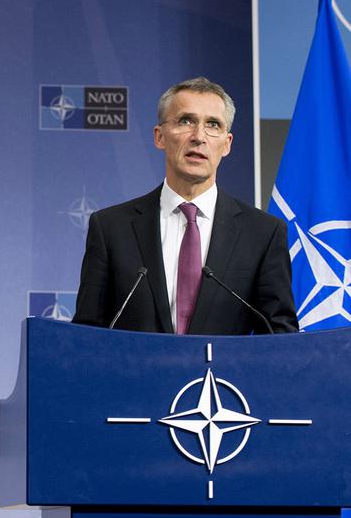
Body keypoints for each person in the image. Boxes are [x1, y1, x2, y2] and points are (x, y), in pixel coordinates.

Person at [72, 77, 298, 334]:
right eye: (186, 121)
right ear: (159, 137)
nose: (199, 136)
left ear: (227, 144)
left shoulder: (263, 233)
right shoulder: (111, 228)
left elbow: (279, 336)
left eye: (213, 124)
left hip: (223, 375)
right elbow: (86, 333)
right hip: (138, 374)